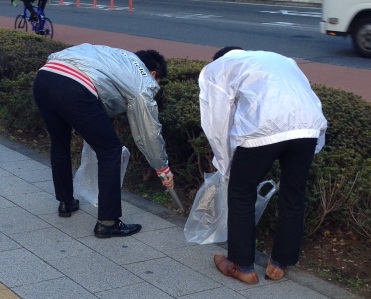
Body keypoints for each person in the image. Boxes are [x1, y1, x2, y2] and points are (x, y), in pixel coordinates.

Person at [198, 46, 327, 284]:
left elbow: (216, 120)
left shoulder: (218, 68)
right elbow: (309, 97)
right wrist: (316, 141)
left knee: (241, 193)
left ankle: (242, 266)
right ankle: (279, 265)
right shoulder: (282, 59)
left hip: (262, 130)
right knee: (294, 194)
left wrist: (225, 163)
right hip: (307, 128)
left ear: (219, 59)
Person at [33, 43, 174, 238]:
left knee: (59, 144)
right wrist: (162, 166)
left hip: (44, 79)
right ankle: (108, 222)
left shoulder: (118, 56)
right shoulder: (142, 77)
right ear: (152, 72)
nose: (154, 87)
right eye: (157, 81)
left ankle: (66, 203)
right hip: (74, 88)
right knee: (111, 151)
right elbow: (149, 132)